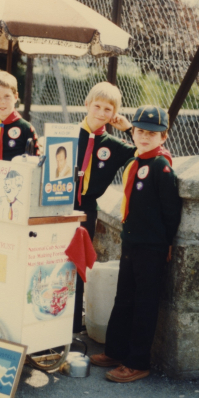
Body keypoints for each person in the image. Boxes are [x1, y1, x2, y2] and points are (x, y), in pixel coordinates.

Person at [90, 105, 182, 383]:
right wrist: (128, 127)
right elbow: (138, 137)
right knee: (124, 298)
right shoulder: (141, 158)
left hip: (150, 248)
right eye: (140, 131)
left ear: (163, 137)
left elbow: (171, 212)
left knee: (144, 304)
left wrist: (165, 243)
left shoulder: (160, 166)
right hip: (131, 242)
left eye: (151, 134)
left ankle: (137, 362)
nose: (143, 137)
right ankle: (116, 351)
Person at [73, 81, 136, 332]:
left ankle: (75, 322)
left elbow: (147, 155)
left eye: (108, 109)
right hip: (59, 206)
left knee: (78, 263)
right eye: (96, 106)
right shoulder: (66, 133)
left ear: (114, 114)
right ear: (87, 104)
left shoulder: (113, 145)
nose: (101, 113)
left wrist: (130, 128)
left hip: (86, 209)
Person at [0, 70, 39, 161]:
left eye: (7, 96)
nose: (2, 102)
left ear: (15, 97)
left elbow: (36, 160)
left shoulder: (26, 128)